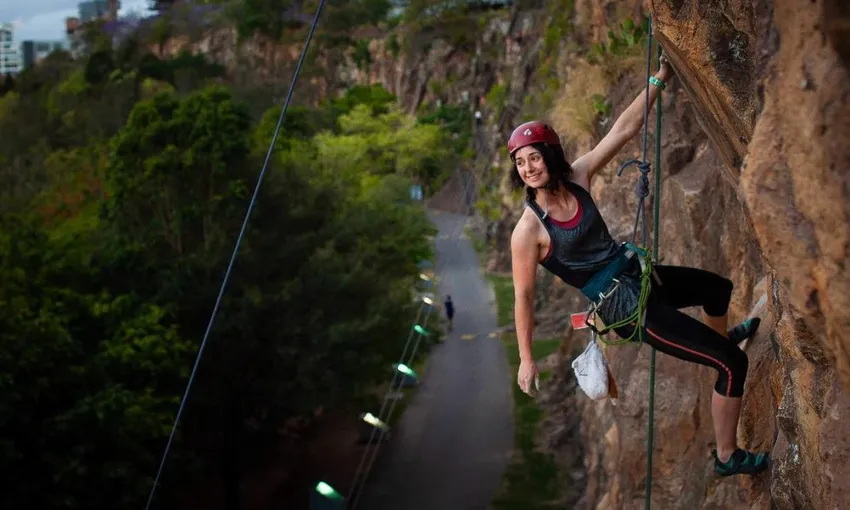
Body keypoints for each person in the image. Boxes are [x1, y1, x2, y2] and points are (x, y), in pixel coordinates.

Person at [507, 56, 768, 477]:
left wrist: (658, 79)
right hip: (628, 310)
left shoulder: (578, 176)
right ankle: (726, 457)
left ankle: (720, 340)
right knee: (732, 366)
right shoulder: (528, 231)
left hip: (640, 276)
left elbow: (623, 130)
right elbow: (523, 297)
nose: (528, 168)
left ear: (550, 156)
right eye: (520, 163)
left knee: (718, 289)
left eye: (533, 158)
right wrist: (525, 358)